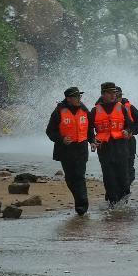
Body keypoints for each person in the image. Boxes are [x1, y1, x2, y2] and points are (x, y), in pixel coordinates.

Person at [45, 87, 94, 215]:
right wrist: (61, 139)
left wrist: (92, 141)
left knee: (79, 176)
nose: (79, 99)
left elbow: (89, 129)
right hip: (65, 150)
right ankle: (79, 200)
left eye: (79, 97)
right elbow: (50, 131)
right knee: (71, 178)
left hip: (81, 148)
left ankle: (82, 206)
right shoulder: (59, 111)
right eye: (76, 97)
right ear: (68, 99)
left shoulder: (85, 110)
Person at [91, 82, 135, 206]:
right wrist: (92, 141)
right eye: (110, 93)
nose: (113, 95)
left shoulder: (121, 107)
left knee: (123, 176)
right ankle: (113, 203)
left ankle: (123, 201)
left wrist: (127, 130)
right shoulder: (95, 110)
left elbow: (130, 124)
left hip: (121, 145)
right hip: (104, 147)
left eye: (114, 93)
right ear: (103, 94)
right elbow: (89, 128)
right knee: (109, 177)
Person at [114, 86, 138, 186]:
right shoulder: (103, 109)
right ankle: (114, 191)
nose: (118, 98)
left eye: (120, 96)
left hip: (128, 141)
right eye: (116, 95)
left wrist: (132, 131)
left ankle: (125, 189)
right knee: (114, 169)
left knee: (129, 169)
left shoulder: (129, 107)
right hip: (113, 143)